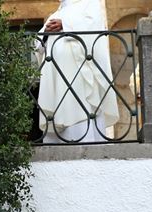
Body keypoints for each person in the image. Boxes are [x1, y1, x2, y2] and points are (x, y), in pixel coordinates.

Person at [35, 0, 119, 143]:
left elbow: (93, 24)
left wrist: (65, 24)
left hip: (79, 73)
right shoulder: (56, 13)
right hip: (57, 75)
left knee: (80, 107)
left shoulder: (89, 4)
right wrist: (45, 33)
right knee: (60, 105)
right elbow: (38, 44)